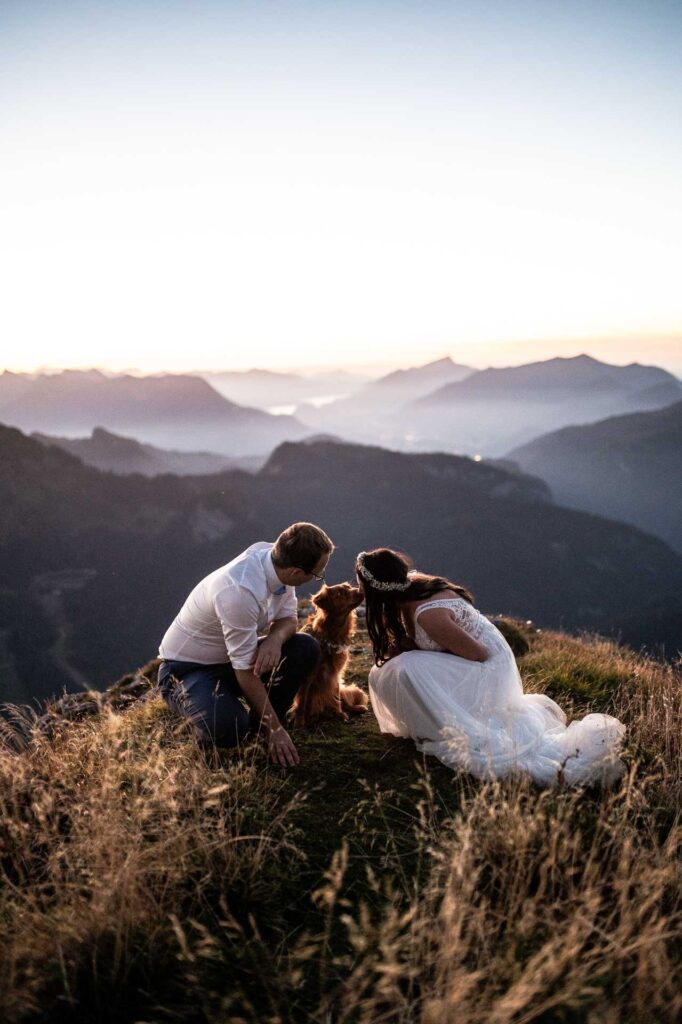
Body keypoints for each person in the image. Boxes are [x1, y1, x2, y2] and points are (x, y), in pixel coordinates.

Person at [356, 548, 626, 787]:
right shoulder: (411, 585)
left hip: (488, 668)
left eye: (362, 587)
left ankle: (438, 724)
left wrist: (414, 651)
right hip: (474, 658)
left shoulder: (429, 616)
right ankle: (427, 718)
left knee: (406, 667)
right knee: (390, 667)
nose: (359, 592)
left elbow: (478, 653)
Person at [157, 522, 332, 766]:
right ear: (295, 572)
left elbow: (288, 619)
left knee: (305, 647)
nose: (316, 579)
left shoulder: (277, 560)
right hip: (186, 670)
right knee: (230, 729)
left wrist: (274, 639)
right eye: (316, 574)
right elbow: (245, 671)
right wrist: (276, 731)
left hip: (231, 659)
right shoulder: (238, 591)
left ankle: (262, 725)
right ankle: (247, 725)